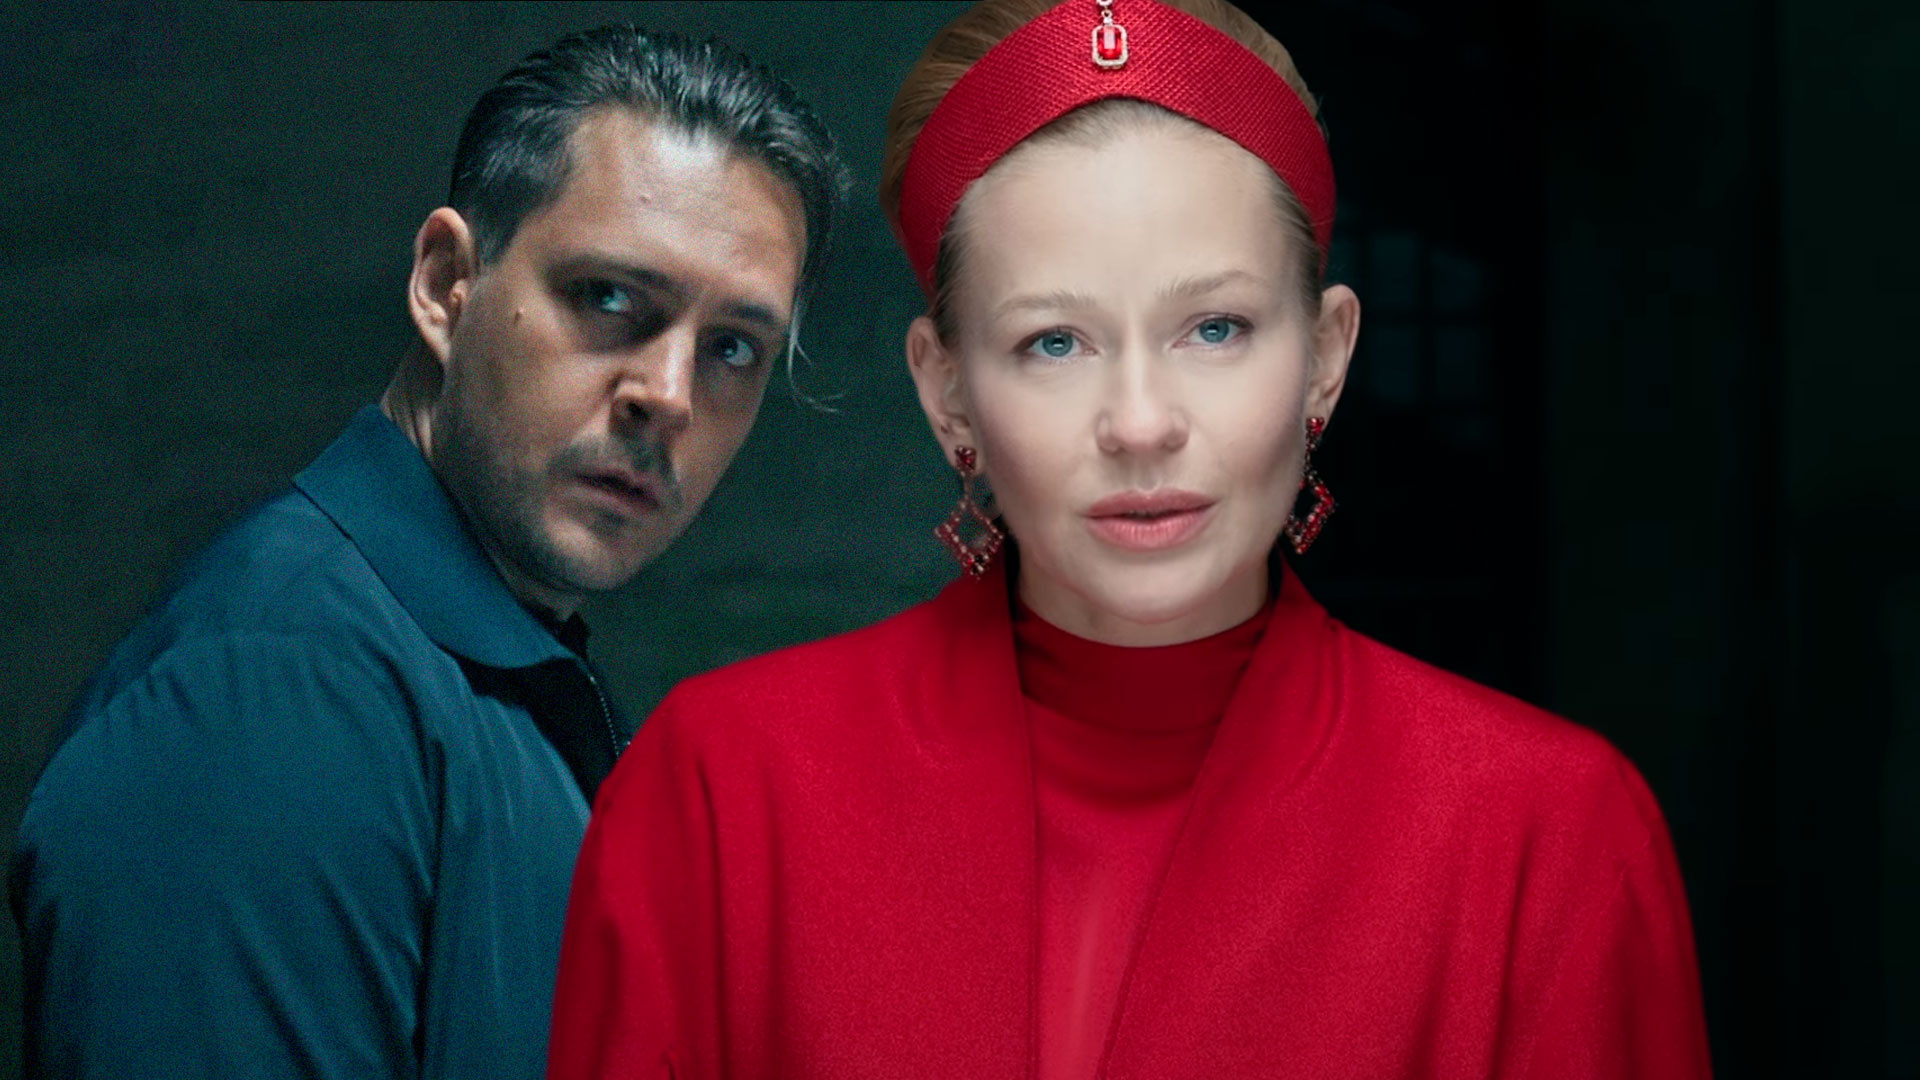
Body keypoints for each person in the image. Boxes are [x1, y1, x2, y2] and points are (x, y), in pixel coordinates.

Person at [547, 0, 1712, 1077]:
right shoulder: (720, 796)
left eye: (1216, 328)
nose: (1142, 424)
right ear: (948, 394)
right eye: (1054, 343)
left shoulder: (1548, 840)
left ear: (1325, 358)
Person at [9, 23, 845, 1080]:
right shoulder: (278, 696)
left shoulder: (501, 690)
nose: (668, 396)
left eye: (732, 347)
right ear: (448, 283)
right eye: (608, 298)